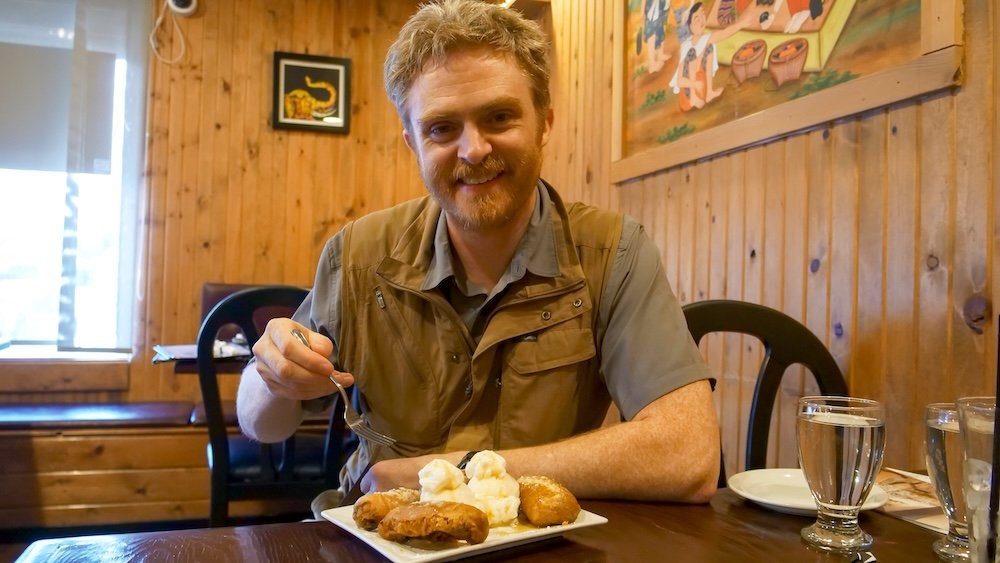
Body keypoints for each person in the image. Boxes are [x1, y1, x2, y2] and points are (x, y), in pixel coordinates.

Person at [237, 0, 720, 506]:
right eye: (442, 128)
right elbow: (260, 422)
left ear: (544, 125)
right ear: (413, 144)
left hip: (543, 543)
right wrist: (271, 379)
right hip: (373, 538)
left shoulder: (612, 253)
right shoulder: (357, 256)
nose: (473, 150)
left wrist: (459, 473)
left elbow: (688, 455)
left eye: (499, 116)